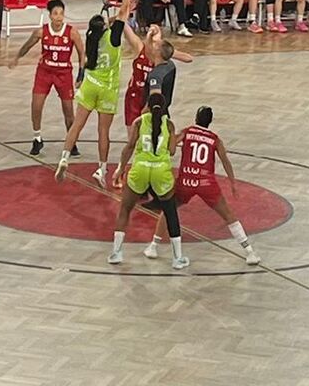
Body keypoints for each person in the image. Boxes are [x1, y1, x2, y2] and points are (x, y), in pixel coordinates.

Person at [54, 0, 142, 186]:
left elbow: (114, 19)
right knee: (103, 131)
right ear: (105, 27)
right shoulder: (113, 37)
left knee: (77, 125)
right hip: (107, 88)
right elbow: (123, 10)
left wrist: (110, 18)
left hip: (90, 84)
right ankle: (102, 169)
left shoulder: (92, 38)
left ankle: (64, 158)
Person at [144, 107, 260, 265]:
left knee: (168, 210)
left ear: (196, 118)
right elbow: (225, 161)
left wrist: (169, 133)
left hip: (186, 180)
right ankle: (249, 252)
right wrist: (232, 182)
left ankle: (153, 246)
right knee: (228, 215)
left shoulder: (187, 131)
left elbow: (170, 147)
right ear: (210, 121)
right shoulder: (215, 139)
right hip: (206, 182)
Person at [108, 94, 188, 269]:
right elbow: (173, 151)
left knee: (125, 210)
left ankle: (116, 253)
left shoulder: (139, 122)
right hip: (161, 171)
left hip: (140, 169)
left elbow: (129, 147)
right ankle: (177, 258)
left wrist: (120, 168)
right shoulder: (169, 124)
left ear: (148, 106)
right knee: (170, 213)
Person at [117, 25, 193, 187]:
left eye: (157, 43)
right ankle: (127, 171)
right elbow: (127, 29)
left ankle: (141, 174)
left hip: (152, 107)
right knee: (136, 141)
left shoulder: (159, 68)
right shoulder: (146, 51)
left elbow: (187, 58)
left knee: (149, 142)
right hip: (134, 98)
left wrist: (165, 45)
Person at [10, 0, 85, 156]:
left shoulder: (72, 32)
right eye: (55, 14)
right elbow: (27, 45)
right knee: (36, 106)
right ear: (49, 15)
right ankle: (37, 138)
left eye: (61, 14)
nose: (59, 17)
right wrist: (17, 57)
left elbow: (81, 53)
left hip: (64, 74)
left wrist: (81, 73)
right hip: (44, 72)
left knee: (68, 111)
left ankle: (71, 142)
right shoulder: (41, 32)